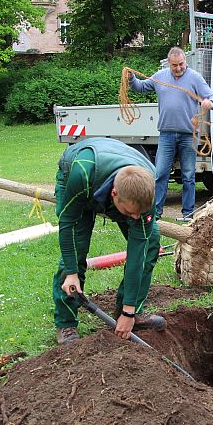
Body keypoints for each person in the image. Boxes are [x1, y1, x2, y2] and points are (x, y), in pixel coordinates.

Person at [53, 137, 166, 345]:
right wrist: (71, 273)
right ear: (114, 195)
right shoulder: (82, 174)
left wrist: (128, 311)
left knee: (150, 244)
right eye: (129, 213)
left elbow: (138, 251)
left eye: (138, 214)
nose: (134, 218)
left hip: (112, 179)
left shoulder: (147, 188)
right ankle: (66, 322)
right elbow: (67, 223)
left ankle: (127, 311)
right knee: (77, 250)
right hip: (78, 174)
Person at [129, 47, 213, 221]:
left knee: (188, 176)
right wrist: (132, 79)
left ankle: (188, 214)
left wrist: (210, 102)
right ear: (169, 64)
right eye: (174, 65)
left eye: (181, 64)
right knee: (161, 173)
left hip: (188, 135)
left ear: (185, 61)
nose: (178, 68)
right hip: (166, 134)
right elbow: (141, 87)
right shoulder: (160, 76)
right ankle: (156, 212)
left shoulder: (194, 77)